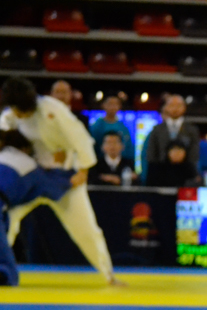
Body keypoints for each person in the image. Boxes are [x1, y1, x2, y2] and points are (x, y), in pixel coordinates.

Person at [0, 76, 120, 285]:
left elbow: (81, 139)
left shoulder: (53, 110)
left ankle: (108, 275)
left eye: (21, 111)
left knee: (86, 230)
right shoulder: (10, 116)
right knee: (9, 218)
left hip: (66, 178)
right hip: (35, 177)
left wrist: (83, 171)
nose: (18, 115)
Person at [0, 130, 77, 286]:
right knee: (8, 272)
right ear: (25, 149)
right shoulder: (30, 166)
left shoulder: (3, 156)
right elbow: (52, 186)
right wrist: (72, 176)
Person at [143, 95, 200, 173]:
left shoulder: (192, 130)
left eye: (178, 106)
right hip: (161, 174)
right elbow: (151, 155)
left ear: (184, 108)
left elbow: (194, 155)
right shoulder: (157, 130)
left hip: (185, 174)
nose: (175, 109)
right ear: (166, 108)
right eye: (172, 105)